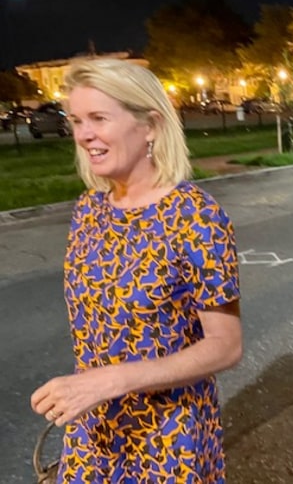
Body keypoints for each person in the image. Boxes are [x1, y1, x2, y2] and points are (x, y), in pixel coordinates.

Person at [30, 59, 243, 483]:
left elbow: (226, 346)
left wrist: (114, 380)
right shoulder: (89, 210)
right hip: (94, 429)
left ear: (149, 125)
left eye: (98, 118)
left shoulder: (195, 216)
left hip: (168, 439)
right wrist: (90, 390)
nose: (84, 133)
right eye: (76, 120)